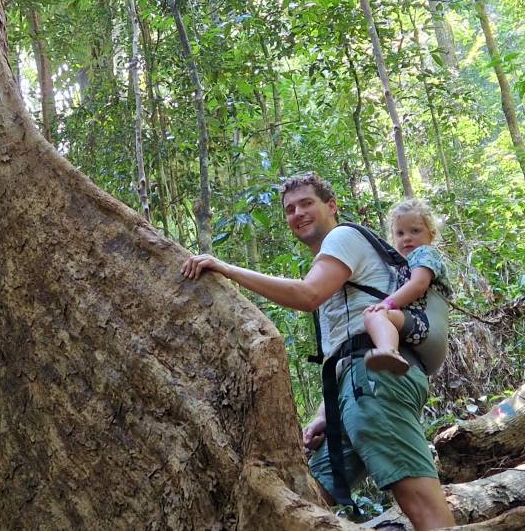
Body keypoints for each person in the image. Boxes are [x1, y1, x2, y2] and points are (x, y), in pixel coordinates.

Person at [181, 172, 454, 530]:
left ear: (331, 206)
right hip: (355, 390)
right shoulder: (334, 264)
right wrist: (325, 414)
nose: (298, 213)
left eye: (306, 203)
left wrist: (226, 268)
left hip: (376, 382)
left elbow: (307, 295)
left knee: (422, 502)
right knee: (307, 496)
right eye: (290, 209)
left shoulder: (343, 237)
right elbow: (345, 347)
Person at [361, 199, 451, 376]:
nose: (407, 238)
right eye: (400, 233)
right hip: (424, 343)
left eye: (415, 231)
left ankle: (388, 351)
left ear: (431, 234)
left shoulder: (424, 253)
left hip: (425, 326)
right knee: (372, 314)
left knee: (375, 314)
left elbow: (418, 284)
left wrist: (387, 304)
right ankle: (391, 355)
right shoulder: (402, 265)